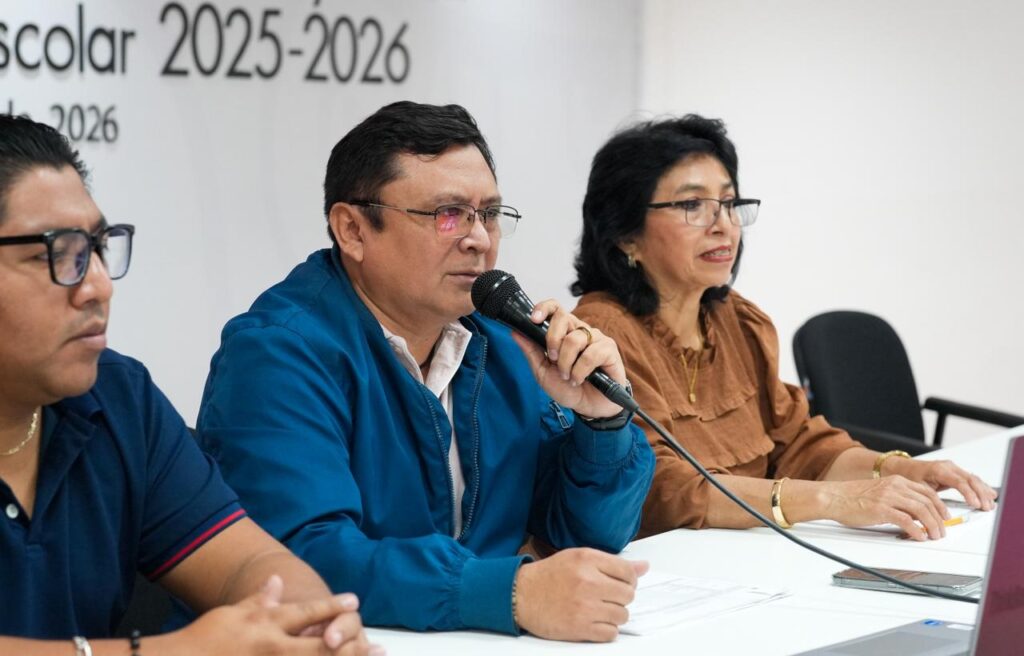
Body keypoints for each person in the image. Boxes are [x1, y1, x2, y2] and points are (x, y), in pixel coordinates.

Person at [196, 101, 655, 642]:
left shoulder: (503, 342)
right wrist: (507, 592)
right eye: (448, 214)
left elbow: (587, 534)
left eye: (489, 215)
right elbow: (301, 557)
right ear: (353, 230)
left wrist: (601, 424)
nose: (479, 239)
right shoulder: (276, 354)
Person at [0, 114, 378, 655]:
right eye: (57, 254)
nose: (98, 287)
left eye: (97, 247)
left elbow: (251, 562)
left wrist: (312, 624)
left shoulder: (118, 399)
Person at [571, 114, 997, 542]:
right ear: (626, 234)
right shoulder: (602, 335)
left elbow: (800, 443)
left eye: (729, 203)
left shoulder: (737, 321)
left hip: (750, 553)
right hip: (663, 564)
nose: (723, 225)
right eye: (692, 205)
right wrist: (833, 501)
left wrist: (902, 469)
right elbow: (664, 490)